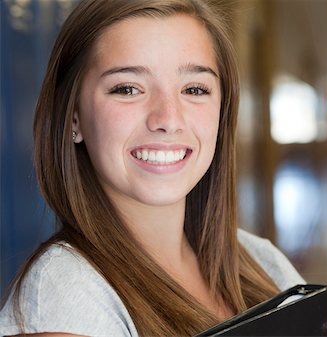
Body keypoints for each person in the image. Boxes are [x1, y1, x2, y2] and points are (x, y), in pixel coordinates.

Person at [0, 0, 304, 336]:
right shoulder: (64, 296)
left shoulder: (261, 261)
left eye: (194, 89)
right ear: (73, 116)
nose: (168, 119)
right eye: (127, 89)